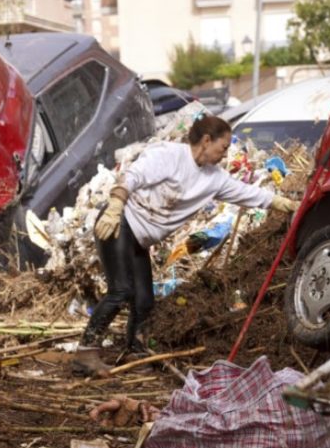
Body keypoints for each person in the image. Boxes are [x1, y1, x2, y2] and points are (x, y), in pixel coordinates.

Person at [81, 115, 300, 352]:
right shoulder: (169, 154)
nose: (225, 154)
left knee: (144, 301)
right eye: (223, 147)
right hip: (119, 222)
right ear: (206, 140)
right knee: (121, 291)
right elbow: (134, 175)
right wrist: (115, 205)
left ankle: (136, 351)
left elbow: (247, 193)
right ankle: (86, 351)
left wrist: (281, 202)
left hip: (140, 240)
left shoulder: (214, 178)